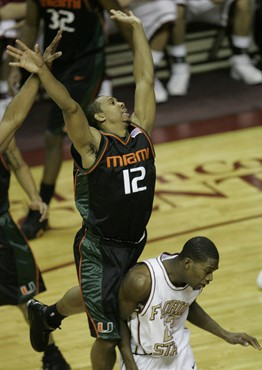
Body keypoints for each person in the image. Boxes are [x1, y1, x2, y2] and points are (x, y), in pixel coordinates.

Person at [7, 9, 156, 369]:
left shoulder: (141, 133)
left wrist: (136, 29)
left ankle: (50, 314)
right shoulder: (92, 146)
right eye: (110, 103)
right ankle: (56, 319)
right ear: (100, 119)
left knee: (105, 301)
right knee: (106, 336)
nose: (120, 102)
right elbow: (70, 105)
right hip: (99, 249)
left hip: (134, 240)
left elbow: (145, 79)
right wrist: (42, 71)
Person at [8, 0, 135, 240]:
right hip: (56, 62)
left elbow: (120, 14)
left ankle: (41, 209)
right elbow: (33, 23)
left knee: (55, 132)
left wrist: (140, 60)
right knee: (78, 133)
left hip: (87, 60)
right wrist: (19, 68)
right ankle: (111, 189)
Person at [118, 236, 262, 369]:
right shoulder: (141, 281)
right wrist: (130, 363)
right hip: (142, 358)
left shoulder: (195, 281)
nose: (210, 278)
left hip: (179, 353)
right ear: (187, 263)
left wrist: (225, 334)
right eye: (208, 271)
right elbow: (119, 319)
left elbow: (187, 305)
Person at [164, 0, 262, 97]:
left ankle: (241, 60)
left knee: (243, 2)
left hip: (215, 7)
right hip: (183, 6)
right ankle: (179, 68)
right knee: (174, 8)